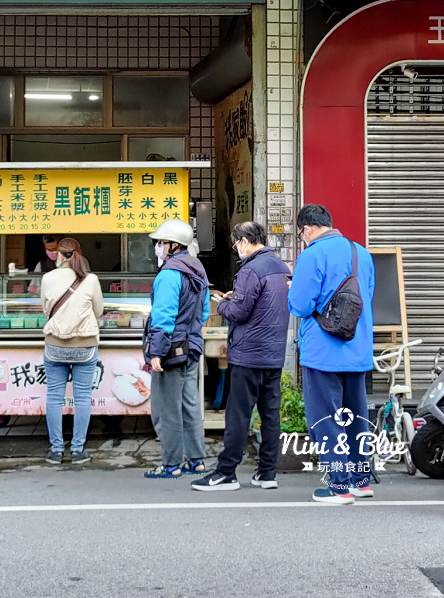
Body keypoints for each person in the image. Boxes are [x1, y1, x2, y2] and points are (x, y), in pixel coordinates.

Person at [192, 221, 291, 492]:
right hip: (273, 354)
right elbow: (266, 304)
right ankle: (267, 473)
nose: (236, 249)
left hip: (248, 355)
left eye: (236, 244)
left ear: (245, 242)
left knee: (238, 415)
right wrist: (237, 298)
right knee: (270, 416)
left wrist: (223, 303)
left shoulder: (250, 270)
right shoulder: (281, 268)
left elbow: (239, 312)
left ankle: (226, 473)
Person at [287, 203, 376, 504]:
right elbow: (368, 296)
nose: (303, 239)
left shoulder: (311, 255)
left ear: (307, 229)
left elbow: (298, 305)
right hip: (358, 348)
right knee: (356, 417)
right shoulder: (361, 253)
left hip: (323, 351)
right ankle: (361, 480)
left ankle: (339, 486)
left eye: (302, 234)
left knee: (326, 418)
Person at [143, 218, 210, 479]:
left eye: (161, 243)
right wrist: (190, 333)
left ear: (173, 245)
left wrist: (157, 352)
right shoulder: (197, 270)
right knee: (189, 404)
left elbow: (163, 316)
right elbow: (203, 312)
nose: (158, 248)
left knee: (167, 409)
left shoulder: (170, 274)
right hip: (191, 348)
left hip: (171, 350)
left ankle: (171, 464)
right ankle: (197, 460)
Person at [40, 237, 104, 465]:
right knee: (83, 398)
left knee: (55, 398)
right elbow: (99, 311)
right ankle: (78, 450)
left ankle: (56, 450)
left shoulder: (47, 278)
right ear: (79, 254)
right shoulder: (91, 279)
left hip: (55, 345)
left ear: (58, 254)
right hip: (84, 347)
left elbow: (45, 309)